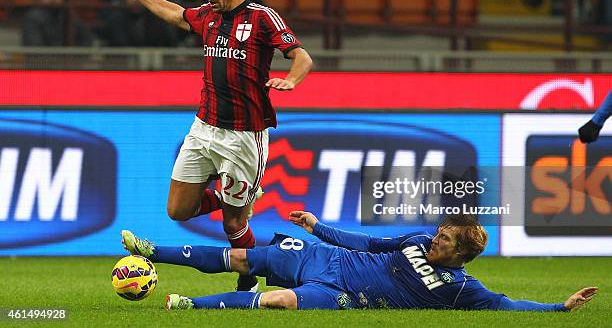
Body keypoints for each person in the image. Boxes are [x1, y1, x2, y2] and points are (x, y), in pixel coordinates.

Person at [114, 0, 313, 292]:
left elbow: (302, 56)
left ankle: (248, 278)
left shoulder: (263, 18)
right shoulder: (208, 16)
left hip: (243, 136)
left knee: (234, 222)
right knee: (178, 209)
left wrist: (291, 79)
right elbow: (177, 14)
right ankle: (234, 196)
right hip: (203, 127)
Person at [120, 212, 597, 311]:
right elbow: (368, 244)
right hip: (323, 257)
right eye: (439, 232)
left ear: (462, 254)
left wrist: (558, 309)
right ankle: (150, 250)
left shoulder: (459, 289)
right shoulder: (414, 238)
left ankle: (188, 307)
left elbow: (505, 307)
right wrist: (317, 229)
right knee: (240, 257)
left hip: (342, 294)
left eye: (446, 239)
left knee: (279, 303)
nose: (435, 238)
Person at [21, 0, 94, 46]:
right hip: (44, 60)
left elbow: (86, 38)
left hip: (69, 59)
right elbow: (34, 47)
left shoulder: (69, 15)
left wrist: (75, 58)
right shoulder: (32, 19)